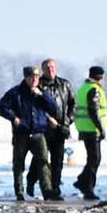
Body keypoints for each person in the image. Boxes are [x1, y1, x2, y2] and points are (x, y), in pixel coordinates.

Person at [0, 66, 61, 201]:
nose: (34, 80)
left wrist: (42, 96)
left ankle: (47, 191)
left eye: (37, 77)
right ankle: (19, 191)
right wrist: (14, 118)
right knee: (19, 164)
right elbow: (1, 107)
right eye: (31, 77)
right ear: (26, 78)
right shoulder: (16, 93)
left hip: (38, 133)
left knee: (43, 162)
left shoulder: (41, 93)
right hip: (22, 134)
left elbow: (54, 108)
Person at [33, 58, 77, 201]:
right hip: (43, 129)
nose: (51, 70)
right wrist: (47, 119)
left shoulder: (65, 85)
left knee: (58, 161)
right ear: (43, 70)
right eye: (48, 68)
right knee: (42, 160)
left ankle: (55, 190)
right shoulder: (38, 85)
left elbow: (73, 105)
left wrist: (66, 122)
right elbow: (34, 106)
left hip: (60, 130)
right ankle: (43, 187)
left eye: (53, 67)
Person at [74, 66, 107, 201]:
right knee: (95, 159)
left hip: (84, 127)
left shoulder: (85, 87)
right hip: (91, 129)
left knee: (93, 158)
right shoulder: (94, 90)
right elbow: (93, 111)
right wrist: (101, 128)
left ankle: (82, 181)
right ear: (101, 77)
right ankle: (87, 188)